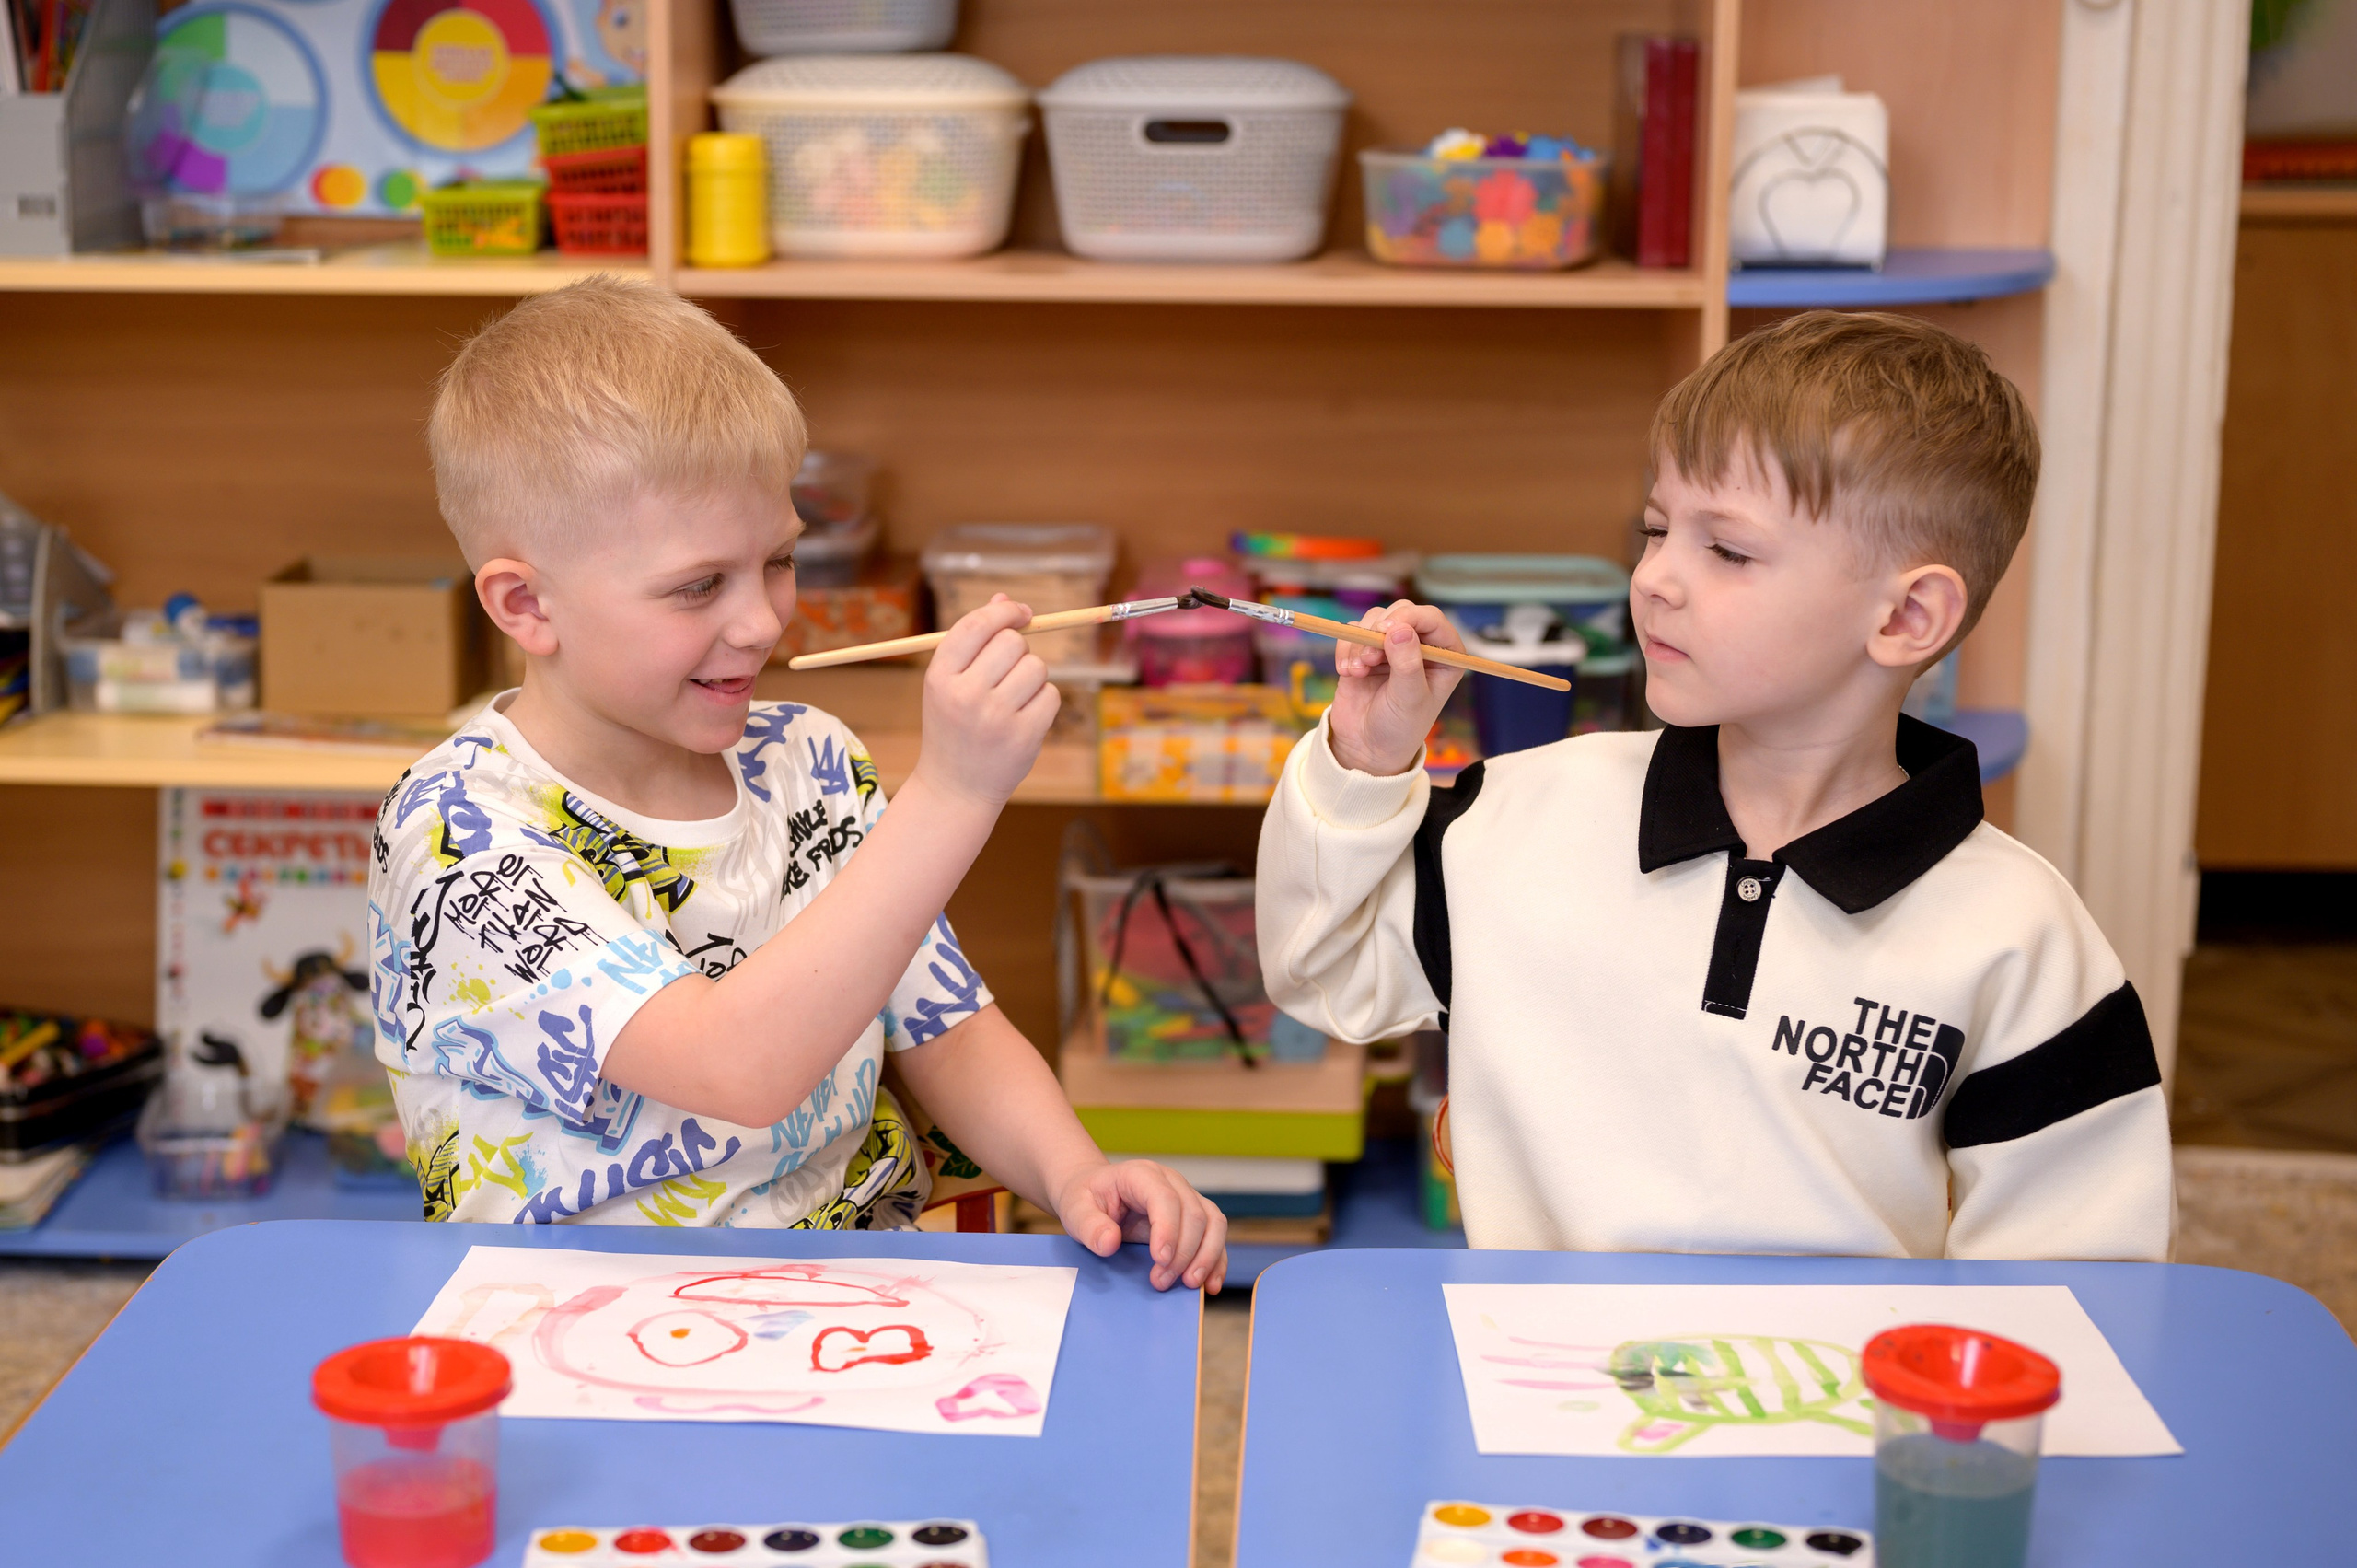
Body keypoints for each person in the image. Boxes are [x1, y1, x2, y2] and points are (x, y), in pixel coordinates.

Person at [368, 276, 1226, 1292]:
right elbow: (738, 1068)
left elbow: (943, 1024)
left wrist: (1076, 1169)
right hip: (580, 1317)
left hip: (851, 1290)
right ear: (526, 603)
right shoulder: (460, 837)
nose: (764, 621)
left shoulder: (807, 758)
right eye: (698, 586)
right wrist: (952, 793)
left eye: (777, 560)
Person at [1256, 310, 2171, 1261]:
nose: (1653, 577)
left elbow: (2080, 1279)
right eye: (1657, 529)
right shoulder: (1517, 816)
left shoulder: (2021, 934)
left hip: (1841, 1406)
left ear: (1906, 615)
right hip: (1535, 1381)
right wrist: (1363, 765)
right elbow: (1320, 970)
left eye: (1725, 550)